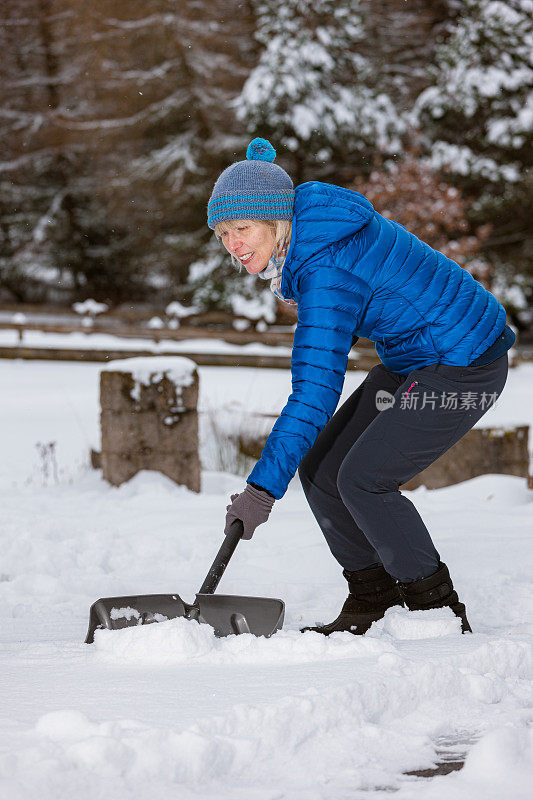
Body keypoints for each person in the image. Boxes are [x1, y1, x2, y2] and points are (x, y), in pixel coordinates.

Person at [207, 137, 516, 635]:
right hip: (415, 357)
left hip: (466, 363)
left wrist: (261, 490)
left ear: (276, 221)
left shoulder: (326, 268)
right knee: (321, 470)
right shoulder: (313, 238)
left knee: (363, 478)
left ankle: (434, 608)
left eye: (242, 228)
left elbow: (313, 394)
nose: (233, 244)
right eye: (223, 233)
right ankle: (373, 596)